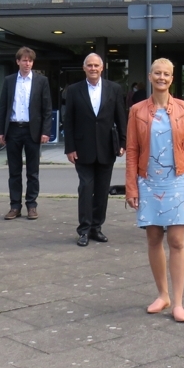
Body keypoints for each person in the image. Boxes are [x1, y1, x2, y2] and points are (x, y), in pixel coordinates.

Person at [125, 58, 184, 323]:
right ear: (150, 76)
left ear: (172, 78)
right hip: (147, 181)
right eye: (157, 73)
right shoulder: (137, 111)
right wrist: (131, 187)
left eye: (166, 74)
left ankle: (178, 302)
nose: (161, 77)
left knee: (177, 241)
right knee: (154, 238)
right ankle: (162, 295)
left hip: (177, 180)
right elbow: (132, 150)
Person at [63, 53, 127, 246]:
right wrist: (69, 148)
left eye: (96, 65)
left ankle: (96, 228)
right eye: (89, 65)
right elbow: (69, 120)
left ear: (102, 68)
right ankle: (83, 230)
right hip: (82, 148)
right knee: (86, 188)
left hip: (107, 148)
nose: (93, 68)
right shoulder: (74, 90)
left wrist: (123, 143)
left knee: (101, 191)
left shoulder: (114, 89)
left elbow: (121, 118)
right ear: (84, 68)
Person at [0, 47, 53, 221]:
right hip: (13, 129)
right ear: (18, 62)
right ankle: (15, 206)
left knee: (32, 171)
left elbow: (47, 108)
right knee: (14, 171)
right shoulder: (9, 80)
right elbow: (3, 106)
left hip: (32, 130)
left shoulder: (41, 81)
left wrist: (45, 131)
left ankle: (31, 205)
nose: (27, 63)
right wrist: (0, 131)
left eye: (30, 61)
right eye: (24, 60)